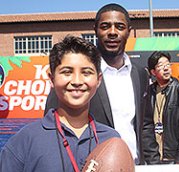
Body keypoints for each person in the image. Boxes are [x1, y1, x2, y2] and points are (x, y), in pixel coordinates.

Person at [45, 3, 156, 164]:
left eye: (119, 26)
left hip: (135, 165)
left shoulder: (139, 74)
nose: (112, 32)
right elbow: (53, 125)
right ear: (96, 30)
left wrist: (154, 164)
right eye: (105, 26)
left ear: (128, 32)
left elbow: (145, 125)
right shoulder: (79, 76)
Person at [0, 35, 120, 172]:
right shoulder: (25, 140)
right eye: (67, 72)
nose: (77, 81)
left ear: (98, 80)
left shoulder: (111, 140)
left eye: (86, 72)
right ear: (51, 79)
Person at [143, 51, 179, 164]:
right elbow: (145, 126)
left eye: (167, 65)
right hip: (153, 156)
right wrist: (150, 155)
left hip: (172, 156)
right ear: (153, 72)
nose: (166, 69)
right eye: (161, 66)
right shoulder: (148, 92)